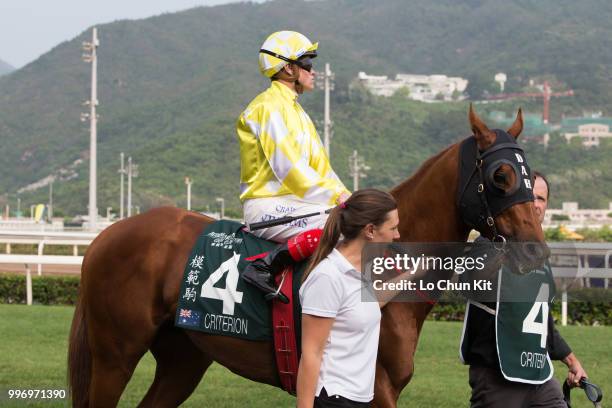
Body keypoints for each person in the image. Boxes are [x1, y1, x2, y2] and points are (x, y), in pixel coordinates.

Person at [236, 30, 351, 303]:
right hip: (266, 206)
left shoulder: (298, 112)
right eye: (308, 64)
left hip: (293, 203)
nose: (313, 71)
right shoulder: (268, 107)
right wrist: (340, 200)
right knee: (345, 224)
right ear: (288, 68)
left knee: (355, 216)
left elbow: (322, 169)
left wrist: (350, 196)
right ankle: (264, 265)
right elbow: (290, 171)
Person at [460, 171, 588, 408]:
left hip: (540, 377)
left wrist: (572, 361)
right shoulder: (487, 243)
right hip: (497, 376)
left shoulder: (539, 253)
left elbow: (541, 320)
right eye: (529, 197)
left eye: (541, 199)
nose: (535, 205)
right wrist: (506, 249)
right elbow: (467, 283)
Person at [296, 189, 400, 408]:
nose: (397, 235)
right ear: (370, 230)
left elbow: (368, 303)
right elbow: (311, 355)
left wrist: (417, 273)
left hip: (358, 398)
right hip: (334, 399)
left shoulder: (359, 270)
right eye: (393, 228)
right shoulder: (328, 277)